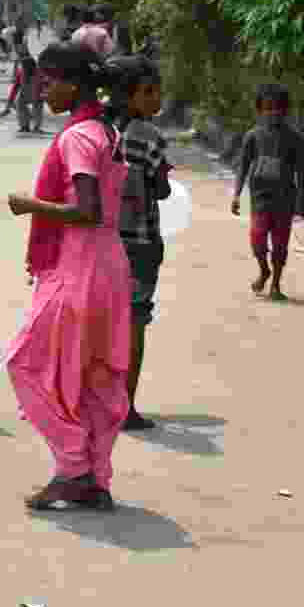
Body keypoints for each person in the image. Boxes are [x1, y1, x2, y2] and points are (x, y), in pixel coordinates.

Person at [2, 44, 132, 512]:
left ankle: (73, 467)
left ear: (72, 84)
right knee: (95, 374)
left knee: (27, 363)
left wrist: (31, 205)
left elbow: (86, 209)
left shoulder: (78, 136)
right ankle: (95, 477)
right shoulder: (106, 130)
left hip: (80, 265)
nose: (42, 88)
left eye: (49, 79)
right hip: (109, 263)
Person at [109, 56, 171, 431]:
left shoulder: (100, 133)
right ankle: (126, 407)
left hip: (104, 242)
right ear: (129, 96)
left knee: (104, 323)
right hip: (141, 242)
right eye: (148, 91)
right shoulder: (149, 136)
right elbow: (162, 188)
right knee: (134, 324)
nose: (155, 98)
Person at [229, 83, 304, 301]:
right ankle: (263, 269)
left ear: (285, 110)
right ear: (259, 110)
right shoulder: (252, 137)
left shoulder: (294, 139)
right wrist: (236, 194)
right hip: (259, 198)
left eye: (278, 108)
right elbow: (243, 166)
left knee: (280, 244)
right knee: (257, 239)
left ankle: (275, 284)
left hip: (285, 199)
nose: (273, 112)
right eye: (267, 108)